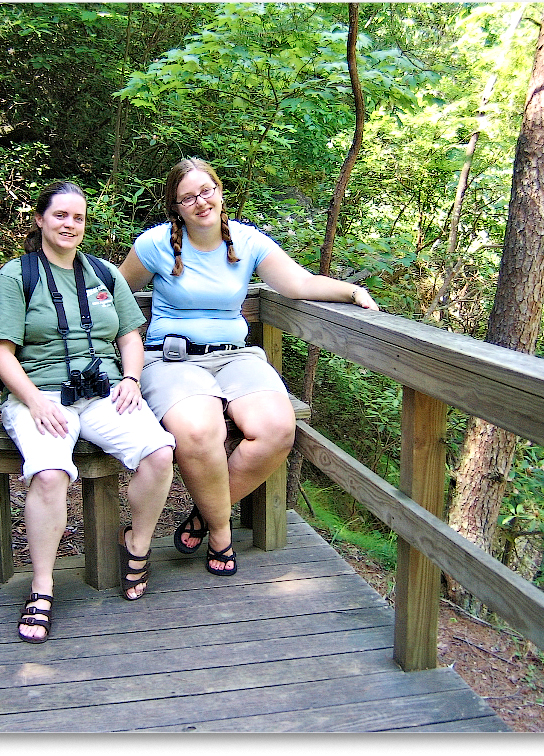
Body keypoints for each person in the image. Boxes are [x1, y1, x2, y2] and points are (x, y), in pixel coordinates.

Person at [119, 158, 379, 577]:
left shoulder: (247, 240)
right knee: (201, 431)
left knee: (278, 429)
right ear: (176, 207)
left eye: (206, 191)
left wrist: (350, 290)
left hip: (235, 355)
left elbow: (299, 283)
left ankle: (203, 517)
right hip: (172, 358)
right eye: (188, 198)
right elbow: (116, 290)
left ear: (220, 190)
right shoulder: (156, 244)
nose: (200, 202)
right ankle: (220, 534)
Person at [0, 181, 176, 643]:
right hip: (43, 395)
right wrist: (34, 399)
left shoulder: (103, 273)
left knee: (159, 453)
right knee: (49, 475)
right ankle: (43, 589)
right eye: (60, 216)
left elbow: (130, 335)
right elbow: (1, 350)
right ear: (40, 220)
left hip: (105, 391)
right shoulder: (16, 276)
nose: (70, 224)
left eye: (78, 218)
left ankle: (137, 546)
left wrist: (130, 378)